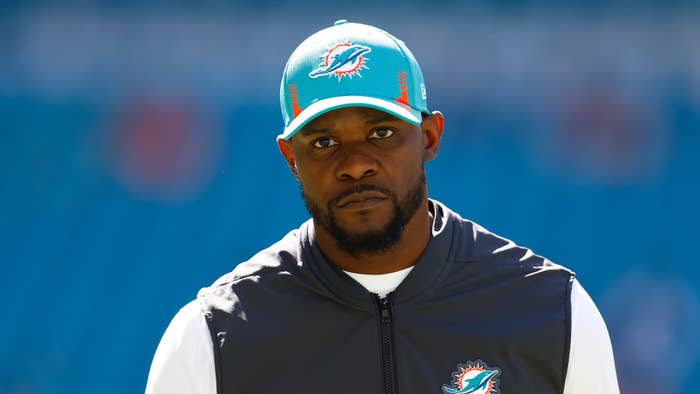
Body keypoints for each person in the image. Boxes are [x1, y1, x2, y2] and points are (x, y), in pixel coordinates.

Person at [146, 20, 619, 394]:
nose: (354, 164)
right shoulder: (213, 337)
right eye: (324, 141)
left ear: (430, 136)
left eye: (381, 133)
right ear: (292, 159)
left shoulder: (551, 312)